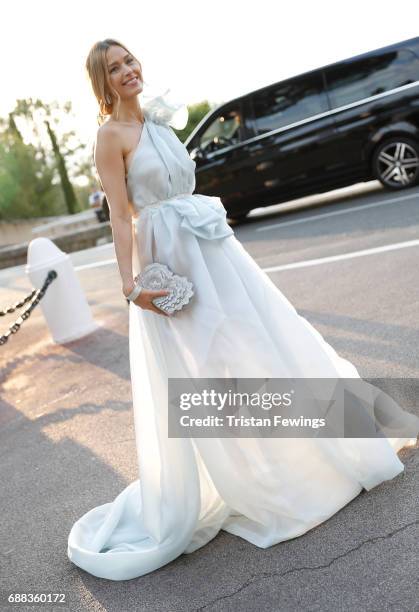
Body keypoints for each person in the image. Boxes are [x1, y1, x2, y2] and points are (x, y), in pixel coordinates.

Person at [67, 38, 418, 581]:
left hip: (215, 252)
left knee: (270, 341)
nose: (127, 71)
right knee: (213, 368)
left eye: (130, 60)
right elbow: (120, 216)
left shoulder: (159, 121)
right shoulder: (109, 137)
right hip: (172, 261)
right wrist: (129, 283)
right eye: (114, 68)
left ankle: (328, 446)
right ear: (102, 81)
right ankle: (261, 479)